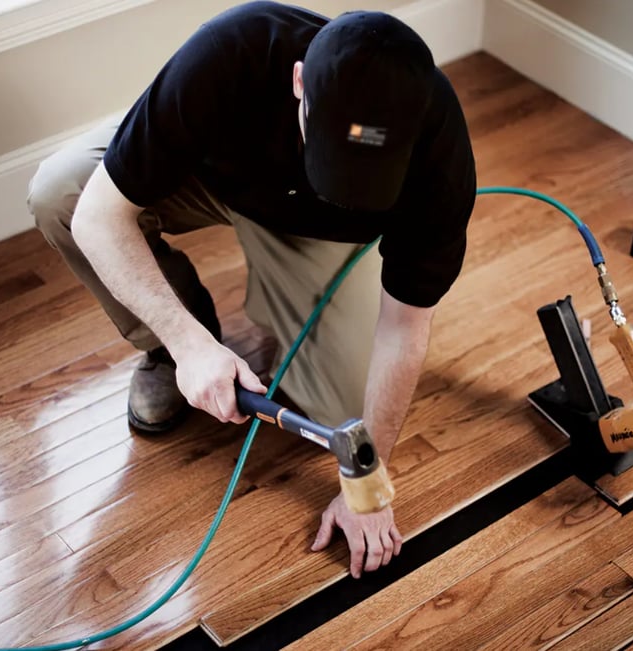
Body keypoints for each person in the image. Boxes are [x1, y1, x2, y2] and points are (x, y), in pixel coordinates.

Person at [28, 1, 476, 579]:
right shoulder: (232, 51)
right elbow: (96, 216)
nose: (349, 176)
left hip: (320, 238)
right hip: (208, 179)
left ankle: (279, 295)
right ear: (298, 84)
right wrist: (189, 345)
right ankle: (166, 349)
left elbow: (406, 323)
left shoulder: (440, 156)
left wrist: (368, 484)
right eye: (337, 157)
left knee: (346, 416)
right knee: (60, 193)